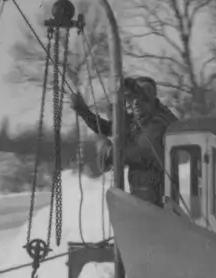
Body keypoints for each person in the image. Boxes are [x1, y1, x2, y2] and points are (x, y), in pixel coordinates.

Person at [70, 76, 176, 206]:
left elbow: (142, 151)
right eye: (131, 99)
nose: (135, 103)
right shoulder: (139, 121)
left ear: (153, 98)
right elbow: (108, 128)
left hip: (160, 200)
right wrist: (84, 111)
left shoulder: (160, 121)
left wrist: (110, 154)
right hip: (142, 195)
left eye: (141, 99)